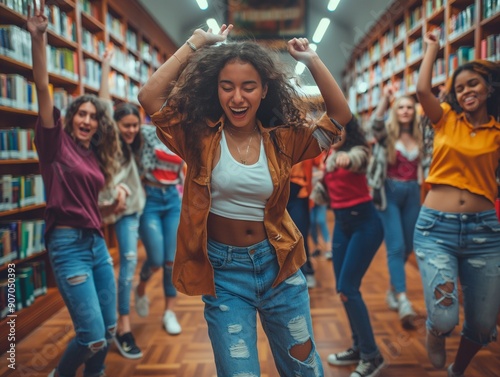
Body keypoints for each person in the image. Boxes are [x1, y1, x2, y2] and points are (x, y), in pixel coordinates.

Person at [137, 24, 351, 376]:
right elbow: (149, 98)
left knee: (305, 371)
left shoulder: (284, 140)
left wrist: (312, 59)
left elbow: (340, 118)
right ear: (216, 90)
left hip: (279, 266)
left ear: (264, 90)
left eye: (248, 87)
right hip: (223, 274)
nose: (237, 97)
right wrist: (196, 43)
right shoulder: (197, 137)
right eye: (227, 87)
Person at [28, 1, 121, 376]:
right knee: (91, 337)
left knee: (109, 330)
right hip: (68, 246)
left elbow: (106, 108)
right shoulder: (55, 145)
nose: (87, 119)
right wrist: (38, 38)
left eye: (92, 117)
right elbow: (41, 87)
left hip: (97, 242)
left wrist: (104, 68)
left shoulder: (94, 153)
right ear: (69, 119)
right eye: (80, 114)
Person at [416, 32, 500, 377]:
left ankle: (457, 370)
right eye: (460, 87)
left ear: (489, 89)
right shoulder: (446, 117)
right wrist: (433, 48)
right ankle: (435, 332)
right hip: (436, 228)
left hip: (485, 231)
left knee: (482, 324)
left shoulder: (498, 131)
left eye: (473, 85)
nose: (466, 92)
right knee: (445, 315)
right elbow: (423, 91)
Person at [320, 118, 385, 377]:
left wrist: (342, 158)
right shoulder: (327, 156)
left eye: (340, 129)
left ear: (350, 130)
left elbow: (358, 158)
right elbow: (325, 192)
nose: (335, 135)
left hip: (366, 226)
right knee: (344, 290)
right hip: (342, 225)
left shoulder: (357, 151)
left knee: (348, 287)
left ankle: (372, 355)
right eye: (330, 131)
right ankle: (359, 347)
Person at [98, 52, 146, 359]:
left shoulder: (137, 145)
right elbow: (103, 106)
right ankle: (112, 324)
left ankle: (121, 324)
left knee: (128, 260)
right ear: (115, 125)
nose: (131, 131)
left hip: (130, 210)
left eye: (135, 126)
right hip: (100, 209)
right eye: (126, 125)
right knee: (104, 267)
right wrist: (104, 67)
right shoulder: (108, 140)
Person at [368, 83, 422, 329]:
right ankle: (402, 299)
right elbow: (374, 125)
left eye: (409, 107)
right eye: (401, 107)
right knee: (396, 246)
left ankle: (393, 289)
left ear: (415, 111)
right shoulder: (386, 134)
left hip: (413, 192)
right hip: (389, 192)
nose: (405, 111)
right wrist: (384, 100)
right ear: (395, 110)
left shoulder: (421, 135)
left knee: (408, 246)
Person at [133, 121, 185, 335]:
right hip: (150, 199)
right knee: (155, 260)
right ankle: (141, 287)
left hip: (173, 198)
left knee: (171, 261)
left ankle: (169, 312)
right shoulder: (145, 132)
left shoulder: (182, 135)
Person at [309, 151, 332, 260]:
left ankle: (329, 248)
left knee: (321, 221)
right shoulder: (306, 157)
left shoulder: (323, 155)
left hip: (320, 193)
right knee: (312, 222)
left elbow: (324, 172)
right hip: (309, 195)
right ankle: (317, 247)